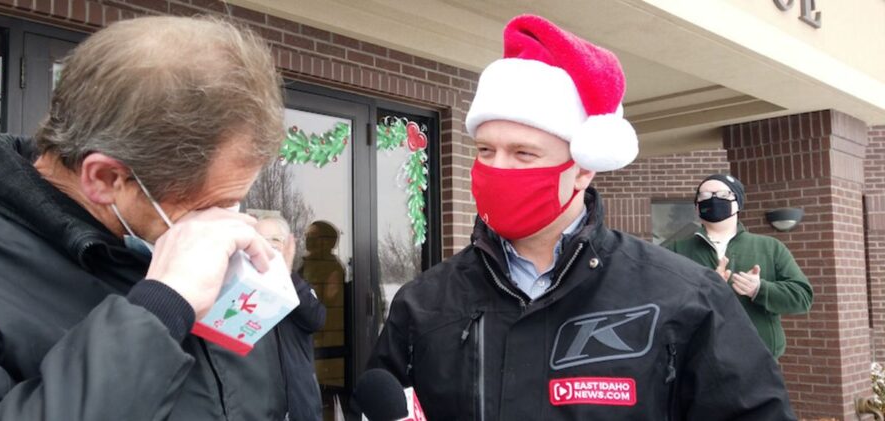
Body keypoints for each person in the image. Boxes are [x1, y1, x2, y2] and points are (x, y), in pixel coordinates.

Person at [367, 14, 796, 420]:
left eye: (523, 153)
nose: (498, 169)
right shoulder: (423, 303)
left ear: (582, 168)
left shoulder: (684, 298)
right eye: (485, 150)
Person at [0, 16, 290, 420]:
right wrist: (159, 310)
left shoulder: (183, 246)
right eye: (206, 205)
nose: (226, 223)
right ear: (105, 178)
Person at [666, 174, 813, 360]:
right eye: (704, 196)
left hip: (758, 361)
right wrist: (702, 290)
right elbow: (657, 298)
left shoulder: (770, 247)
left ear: (738, 203)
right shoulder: (676, 249)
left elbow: (802, 298)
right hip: (696, 361)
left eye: (723, 194)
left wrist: (760, 289)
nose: (713, 199)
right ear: (696, 207)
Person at [257, 215, 327, 421]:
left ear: (288, 245)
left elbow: (316, 318)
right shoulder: (240, 290)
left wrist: (285, 276)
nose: (268, 247)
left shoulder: (297, 286)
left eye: (275, 240)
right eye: (261, 240)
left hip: (300, 404)